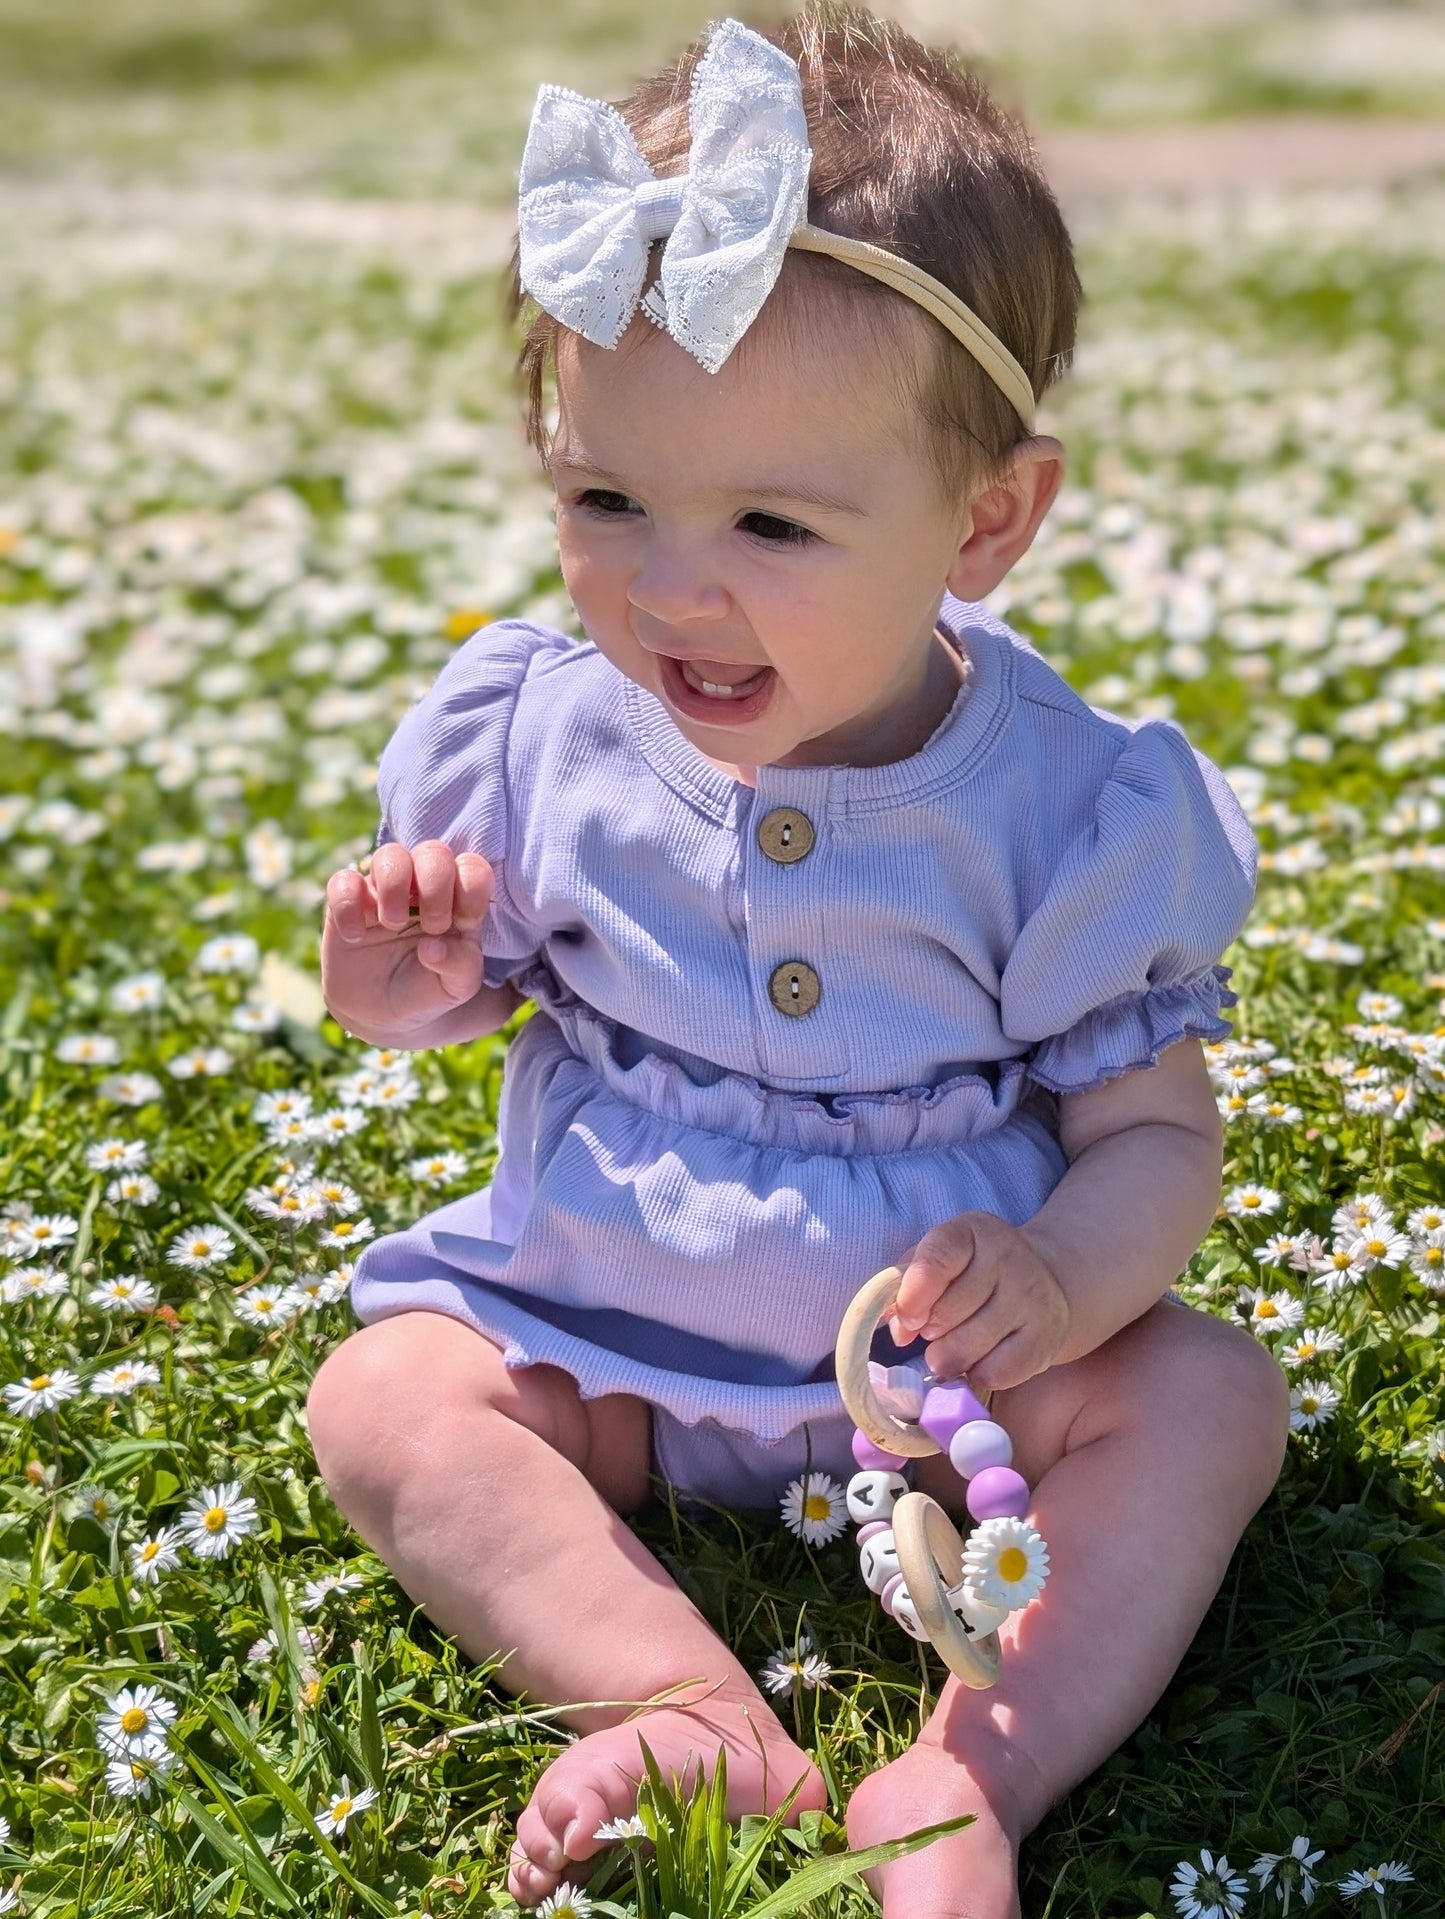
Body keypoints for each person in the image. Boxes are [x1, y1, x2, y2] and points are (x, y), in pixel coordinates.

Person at [305, 10, 1291, 1915]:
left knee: (1207, 1400)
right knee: (386, 1400)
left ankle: (960, 1780)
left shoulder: (1065, 811)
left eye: (770, 522)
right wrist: (399, 970)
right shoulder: (537, 731)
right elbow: (465, 997)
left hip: (949, 1398)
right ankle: (680, 1703)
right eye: (608, 502)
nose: (673, 588)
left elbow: (1159, 1128)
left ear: (984, 521)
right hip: (605, 1349)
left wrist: (1068, 1274)